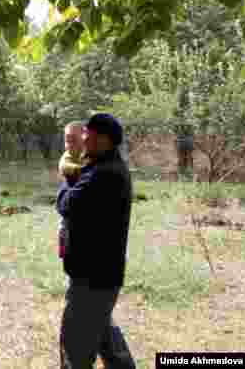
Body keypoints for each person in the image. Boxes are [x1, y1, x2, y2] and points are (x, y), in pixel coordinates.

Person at [57, 113, 136, 369]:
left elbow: (67, 204)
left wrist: (68, 181)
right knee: (103, 336)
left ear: (102, 139)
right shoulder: (101, 167)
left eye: (86, 133)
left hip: (92, 277)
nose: (82, 138)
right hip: (99, 275)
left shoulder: (104, 174)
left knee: (76, 347)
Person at [57, 122, 86, 258]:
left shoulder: (88, 153)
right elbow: (64, 166)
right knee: (65, 229)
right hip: (69, 209)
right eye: (67, 140)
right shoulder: (67, 156)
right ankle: (65, 251)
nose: (69, 143)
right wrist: (82, 170)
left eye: (73, 138)